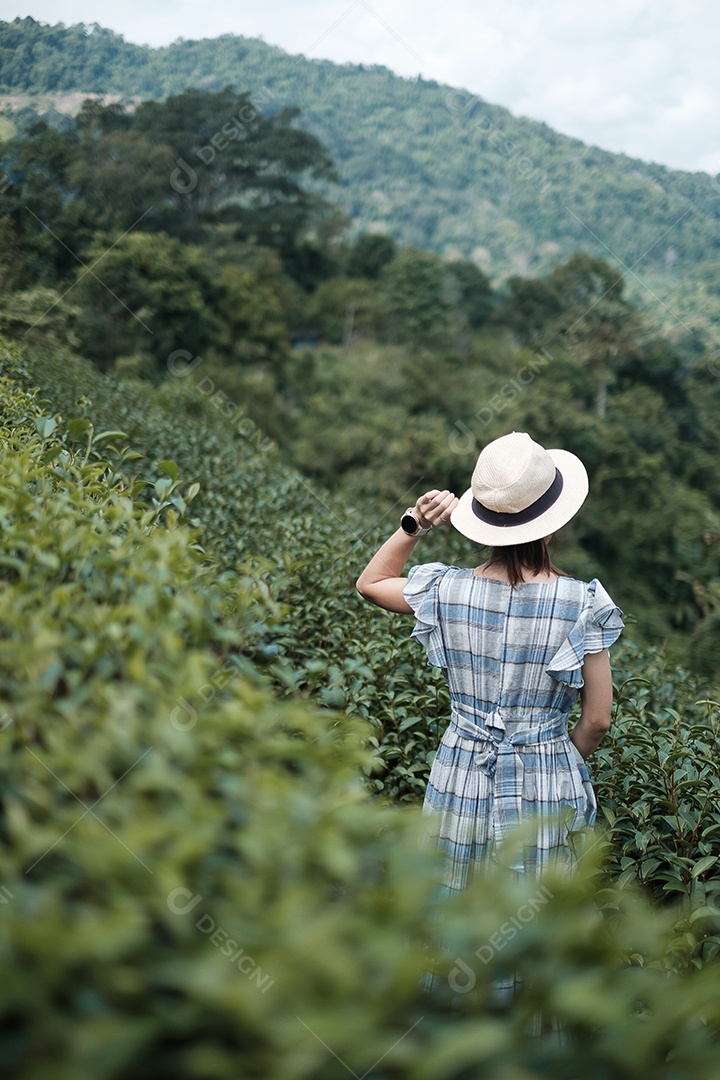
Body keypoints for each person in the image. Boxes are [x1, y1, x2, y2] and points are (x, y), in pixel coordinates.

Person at [356, 430, 624, 891]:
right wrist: (550, 756)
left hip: (460, 773)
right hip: (544, 781)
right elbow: (598, 719)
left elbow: (371, 583)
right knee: (538, 914)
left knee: (450, 901)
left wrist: (415, 523)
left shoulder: (445, 589)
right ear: (550, 523)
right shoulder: (583, 604)